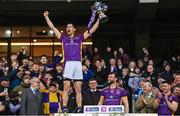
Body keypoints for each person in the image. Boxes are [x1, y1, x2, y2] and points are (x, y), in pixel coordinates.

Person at [43, 10, 100, 113]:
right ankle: (64, 107)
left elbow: (92, 30)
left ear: (74, 29)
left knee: (78, 88)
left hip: (78, 63)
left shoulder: (79, 38)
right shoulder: (63, 38)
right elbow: (52, 27)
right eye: (67, 27)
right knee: (66, 86)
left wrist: (99, 18)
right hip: (68, 63)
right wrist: (46, 17)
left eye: (70, 27)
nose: (67, 28)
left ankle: (79, 108)